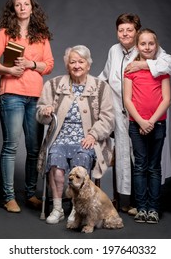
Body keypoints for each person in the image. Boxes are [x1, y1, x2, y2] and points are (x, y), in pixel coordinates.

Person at [98, 13, 171, 215]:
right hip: (123, 112)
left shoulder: (148, 48)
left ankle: (146, 203)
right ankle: (133, 202)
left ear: (137, 31)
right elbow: (105, 77)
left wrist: (144, 64)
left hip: (148, 115)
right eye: (121, 30)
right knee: (129, 157)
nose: (124, 33)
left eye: (129, 29)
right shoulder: (114, 51)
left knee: (144, 159)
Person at [0, 0, 54, 213]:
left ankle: (31, 193)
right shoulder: (5, 33)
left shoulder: (41, 35)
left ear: (32, 8)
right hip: (11, 94)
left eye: (26, 4)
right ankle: (8, 196)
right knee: (11, 146)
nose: (22, 7)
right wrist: (9, 69)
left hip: (36, 97)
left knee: (34, 149)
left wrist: (30, 64)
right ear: (13, 9)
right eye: (18, 4)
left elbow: (49, 65)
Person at [36, 45, 115, 224]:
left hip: (87, 138)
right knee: (55, 158)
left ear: (88, 65)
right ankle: (57, 208)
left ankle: (76, 209)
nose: (77, 65)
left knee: (81, 160)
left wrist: (93, 135)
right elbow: (40, 112)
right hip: (60, 137)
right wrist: (45, 111)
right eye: (73, 62)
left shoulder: (101, 87)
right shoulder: (54, 84)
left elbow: (108, 118)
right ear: (67, 65)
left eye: (81, 62)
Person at [124, 28, 171, 223]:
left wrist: (151, 121)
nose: (147, 47)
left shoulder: (161, 69)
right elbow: (127, 100)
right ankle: (141, 208)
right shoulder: (130, 69)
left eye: (151, 43)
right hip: (136, 125)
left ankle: (153, 208)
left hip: (157, 124)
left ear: (156, 45)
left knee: (154, 167)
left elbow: (166, 99)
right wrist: (141, 121)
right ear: (137, 46)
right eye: (143, 44)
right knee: (140, 166)